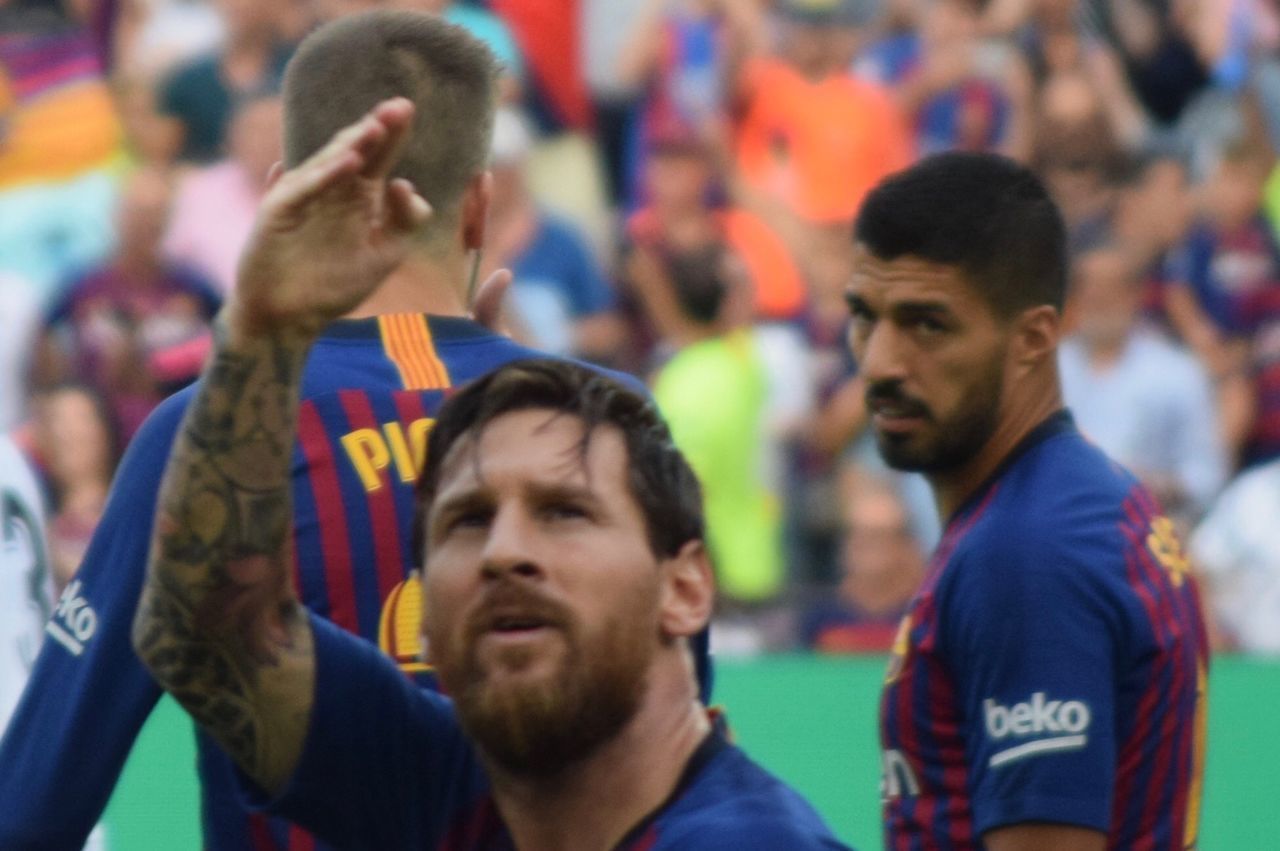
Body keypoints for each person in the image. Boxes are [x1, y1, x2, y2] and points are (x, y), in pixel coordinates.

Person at [0, 12, 705, 851]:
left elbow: (29, 812)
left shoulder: (202, 440)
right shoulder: (612, 423)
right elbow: (680, 768)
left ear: (280, 204)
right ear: (480, 207)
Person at [130, 96, 848, 848]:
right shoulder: (451, 782)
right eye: (467, 520)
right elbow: (210, 621)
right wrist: (261, 329)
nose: (505, 549)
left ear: (686, 585)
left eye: (565, 510)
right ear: (425, 611)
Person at [846, 152, 1208, 848]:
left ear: (1035, 339)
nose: (881, 362)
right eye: (866, 316)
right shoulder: (1082, 498)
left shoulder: (1025, 551)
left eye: (928, 324)